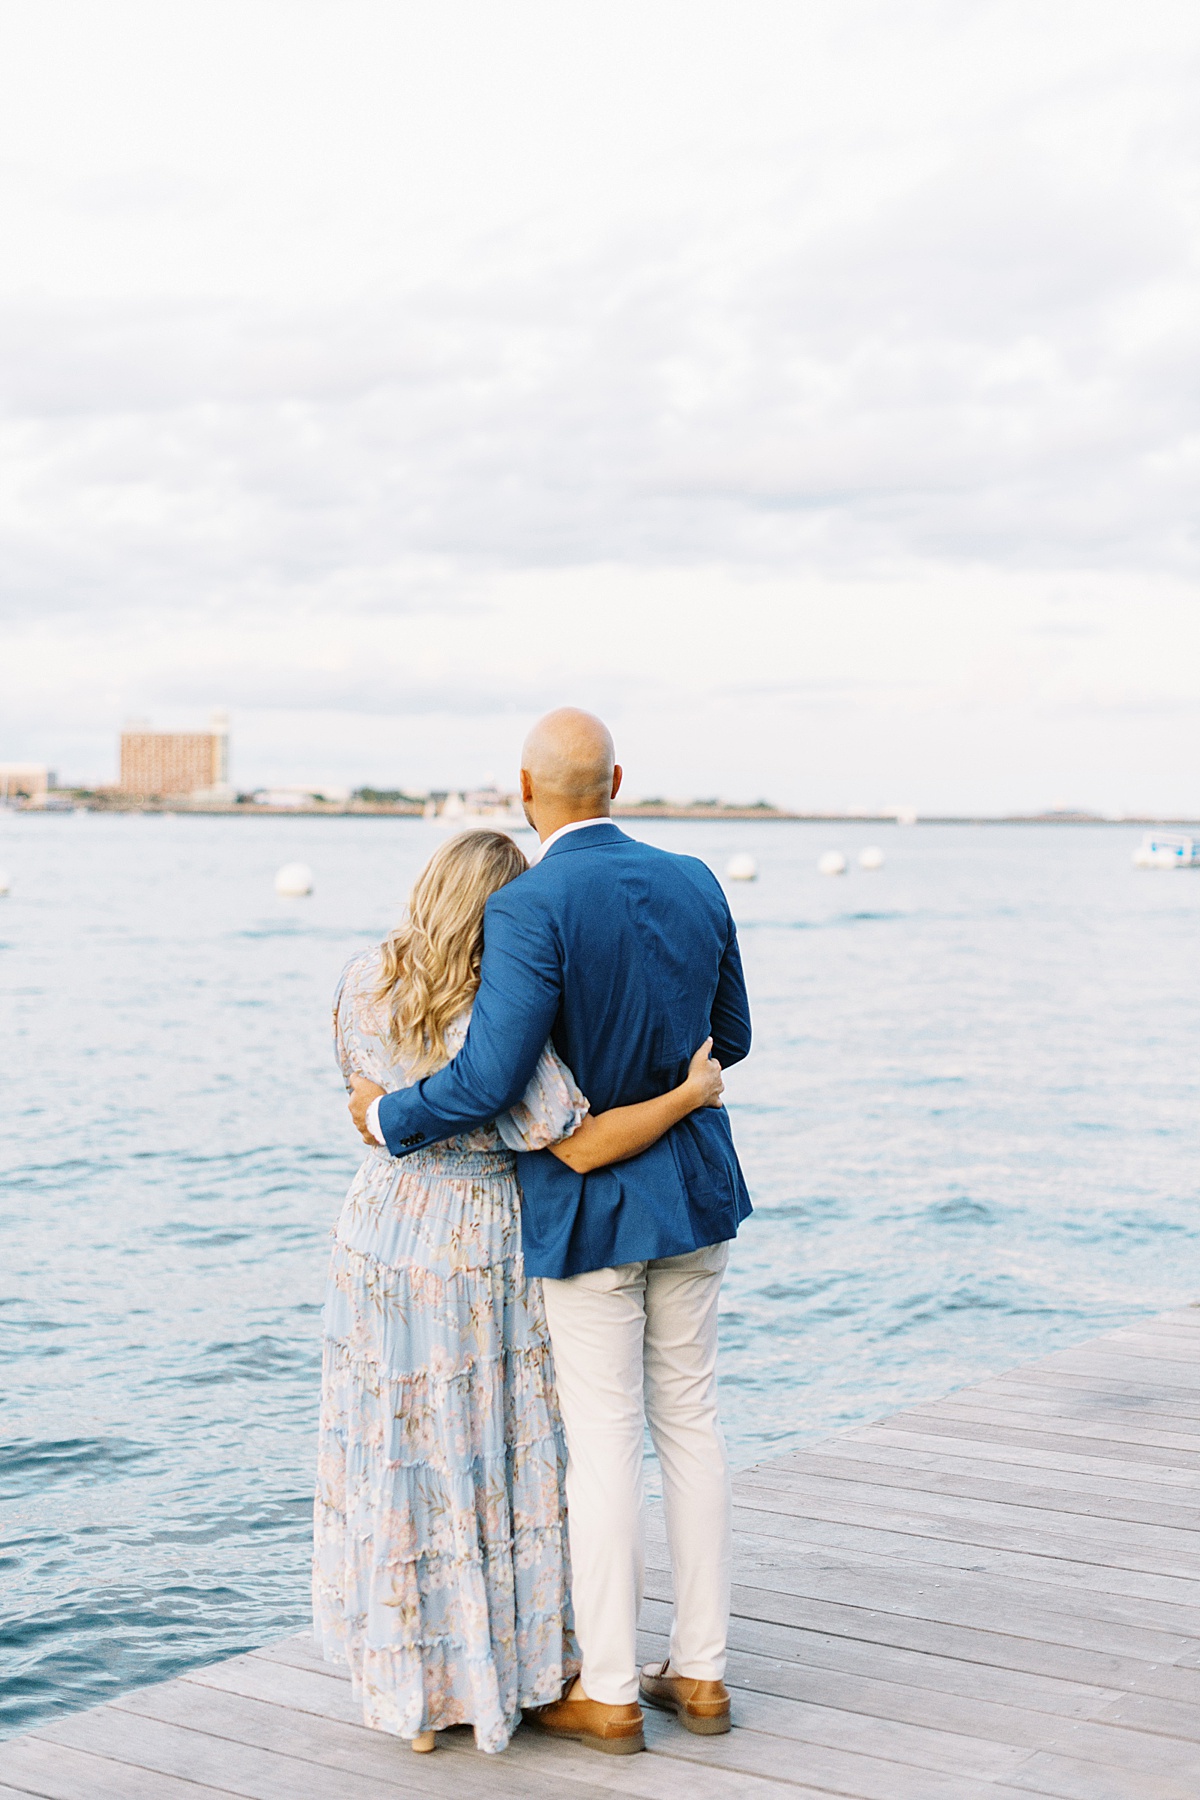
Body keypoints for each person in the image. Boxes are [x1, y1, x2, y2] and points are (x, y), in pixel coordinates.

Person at [350, 709, 752, 1756]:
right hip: (696, 1190)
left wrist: (390, 1116)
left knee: (605, 1447)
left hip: (591, 1213)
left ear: (527, 792)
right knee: (694, 1428)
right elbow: (735, 1038)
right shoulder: (699, 879)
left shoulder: (529, 904)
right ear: (617, 779)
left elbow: (490, 1080)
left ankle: (612, 1689)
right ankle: (702, 1675)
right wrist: (680, 1087)